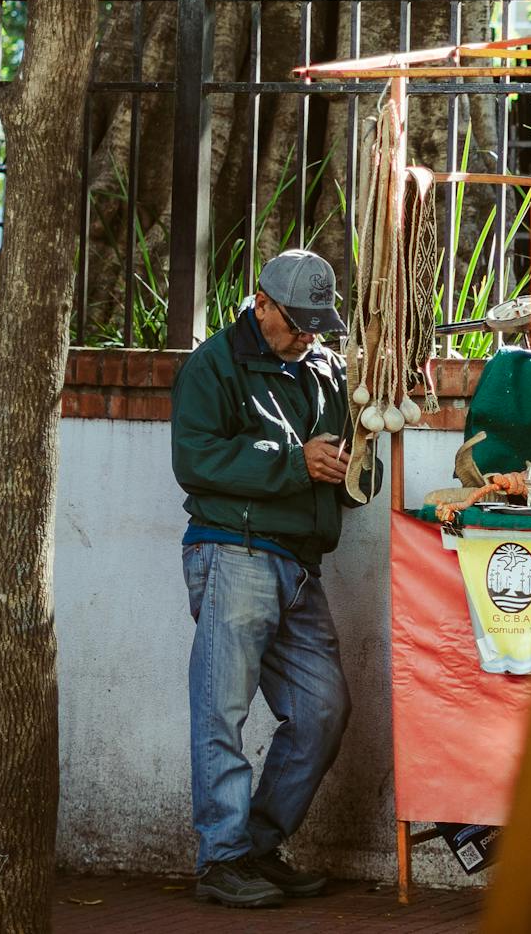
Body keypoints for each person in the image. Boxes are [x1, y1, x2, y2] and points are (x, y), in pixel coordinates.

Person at [171, 248, 378, 909]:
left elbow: (347, 475)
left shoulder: (323, 367)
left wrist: (355, 465)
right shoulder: (213, 363)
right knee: (221, 713)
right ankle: (222, 860)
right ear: (261, 304)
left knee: (322, 710)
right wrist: (295, 462)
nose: (310, 335)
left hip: (297, 563)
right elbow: (196, 458)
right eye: (298, 322)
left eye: (319, 323)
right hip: (235, 552)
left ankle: (257, 846)